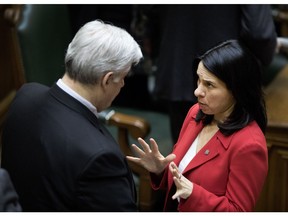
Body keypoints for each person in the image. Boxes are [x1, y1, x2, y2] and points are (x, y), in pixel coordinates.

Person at [1, 20, 143, 211]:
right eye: (123, 77)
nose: (123, 84)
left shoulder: (25, 95)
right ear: (107, 79)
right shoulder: (99, 157)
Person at [127, 39, 268, 211]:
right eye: (199, 80)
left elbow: (238, 211)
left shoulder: (249, 145)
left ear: (236, 90)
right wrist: (160, 170)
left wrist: (193, 194)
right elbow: (181, 178)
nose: (197, 91)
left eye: (209, 85)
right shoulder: (196, 114)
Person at [152, 5, 277, 144]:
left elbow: (150, 13)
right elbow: (260, 34)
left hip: (176, 65)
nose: (197, 91)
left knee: (183, 151)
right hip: (231, 73)